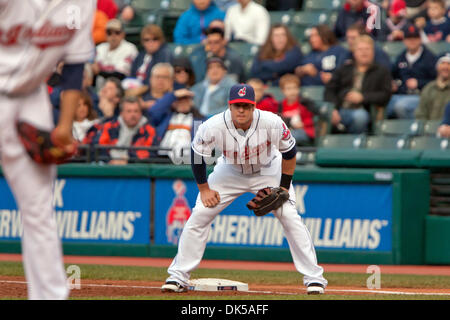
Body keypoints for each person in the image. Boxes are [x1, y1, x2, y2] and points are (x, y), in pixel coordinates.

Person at [161, 83, 328, 294]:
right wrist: (204, 189)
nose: (241, 110)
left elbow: (290, 152)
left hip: (268, 169)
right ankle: (177, 277)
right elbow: (197, 155)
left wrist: (284, 187)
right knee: (200, 214)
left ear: (254, 106)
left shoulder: (271, 122)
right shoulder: (213, 125)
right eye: (237, 105)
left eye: (246, 106)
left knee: (289, 215)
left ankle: (315, 279)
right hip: (229, 171)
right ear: (229, 106)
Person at [0, 0, 95, 299]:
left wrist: (65, 126)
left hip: (31, 98)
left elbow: (75, 65)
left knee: (39, 210)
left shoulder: (82, 3)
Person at [325, 35, 392, 134]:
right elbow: (330, 90)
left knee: (360, 117)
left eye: (367, 49)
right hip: (341, 109)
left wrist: (363, 97)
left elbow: (385, 95)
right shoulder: (344, 69)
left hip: (367, 111)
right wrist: (333, 109)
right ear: (354, 52)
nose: (364, 52)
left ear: (373, 52)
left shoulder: (382, 71)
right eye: (360, 49)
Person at [388, 24, 438, 118]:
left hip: (422, 96)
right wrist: (393, 84)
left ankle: (412, 130)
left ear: (420, 39)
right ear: (404, 40)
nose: (412, 41)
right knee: (384, 105)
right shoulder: (401, 57)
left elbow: (436, 82)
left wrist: (419, 83)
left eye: (415, 38)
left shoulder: (429, 58)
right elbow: (393, 75)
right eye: (409, 38)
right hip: (401, 94)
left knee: (401, 106)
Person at [146, 88, 206, 159]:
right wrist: (173, 95)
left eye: (186, 101)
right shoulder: (166, 117)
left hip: (186, 159)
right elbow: (153, 111)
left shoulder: (199, 120)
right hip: (162, 157)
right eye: (179, 101)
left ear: (191, 103)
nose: (183, 104)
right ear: (174, 103)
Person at [96, 96, 157, 164]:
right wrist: (110, 161)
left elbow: (150, 153)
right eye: (129, 111)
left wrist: (128, 160)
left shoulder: (149, 130)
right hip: (108, 166)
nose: (133, 115)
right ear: (121, 113)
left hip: (135, 169)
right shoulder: (109, 126)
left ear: (141, 113)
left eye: (136, 111)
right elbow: (99, 148)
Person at [92, 19, 138, 89]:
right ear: (105, 35)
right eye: (109, 33)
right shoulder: (100, 48)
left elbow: (119, 75)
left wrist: (98, 71)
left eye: (117, 32)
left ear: (123, 34)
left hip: (120, 86)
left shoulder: (130, 48)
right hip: (100, 85)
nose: (113, 36)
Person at [279, 74, 316, 146]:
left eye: (295, 88)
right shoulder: (280, 105)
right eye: (289, 89)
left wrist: (303, 124)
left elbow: (313, 119)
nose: (292, 92)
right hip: (287, 132)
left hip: (304, 131)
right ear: (283, 91)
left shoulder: (304, 103)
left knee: (291, 136)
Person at [415, 53, 450, 120]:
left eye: (449, 64)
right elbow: (420, 113)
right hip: (429, 128)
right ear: (437, 67)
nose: (445, 67)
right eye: (442, 63)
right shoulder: (428, 88)